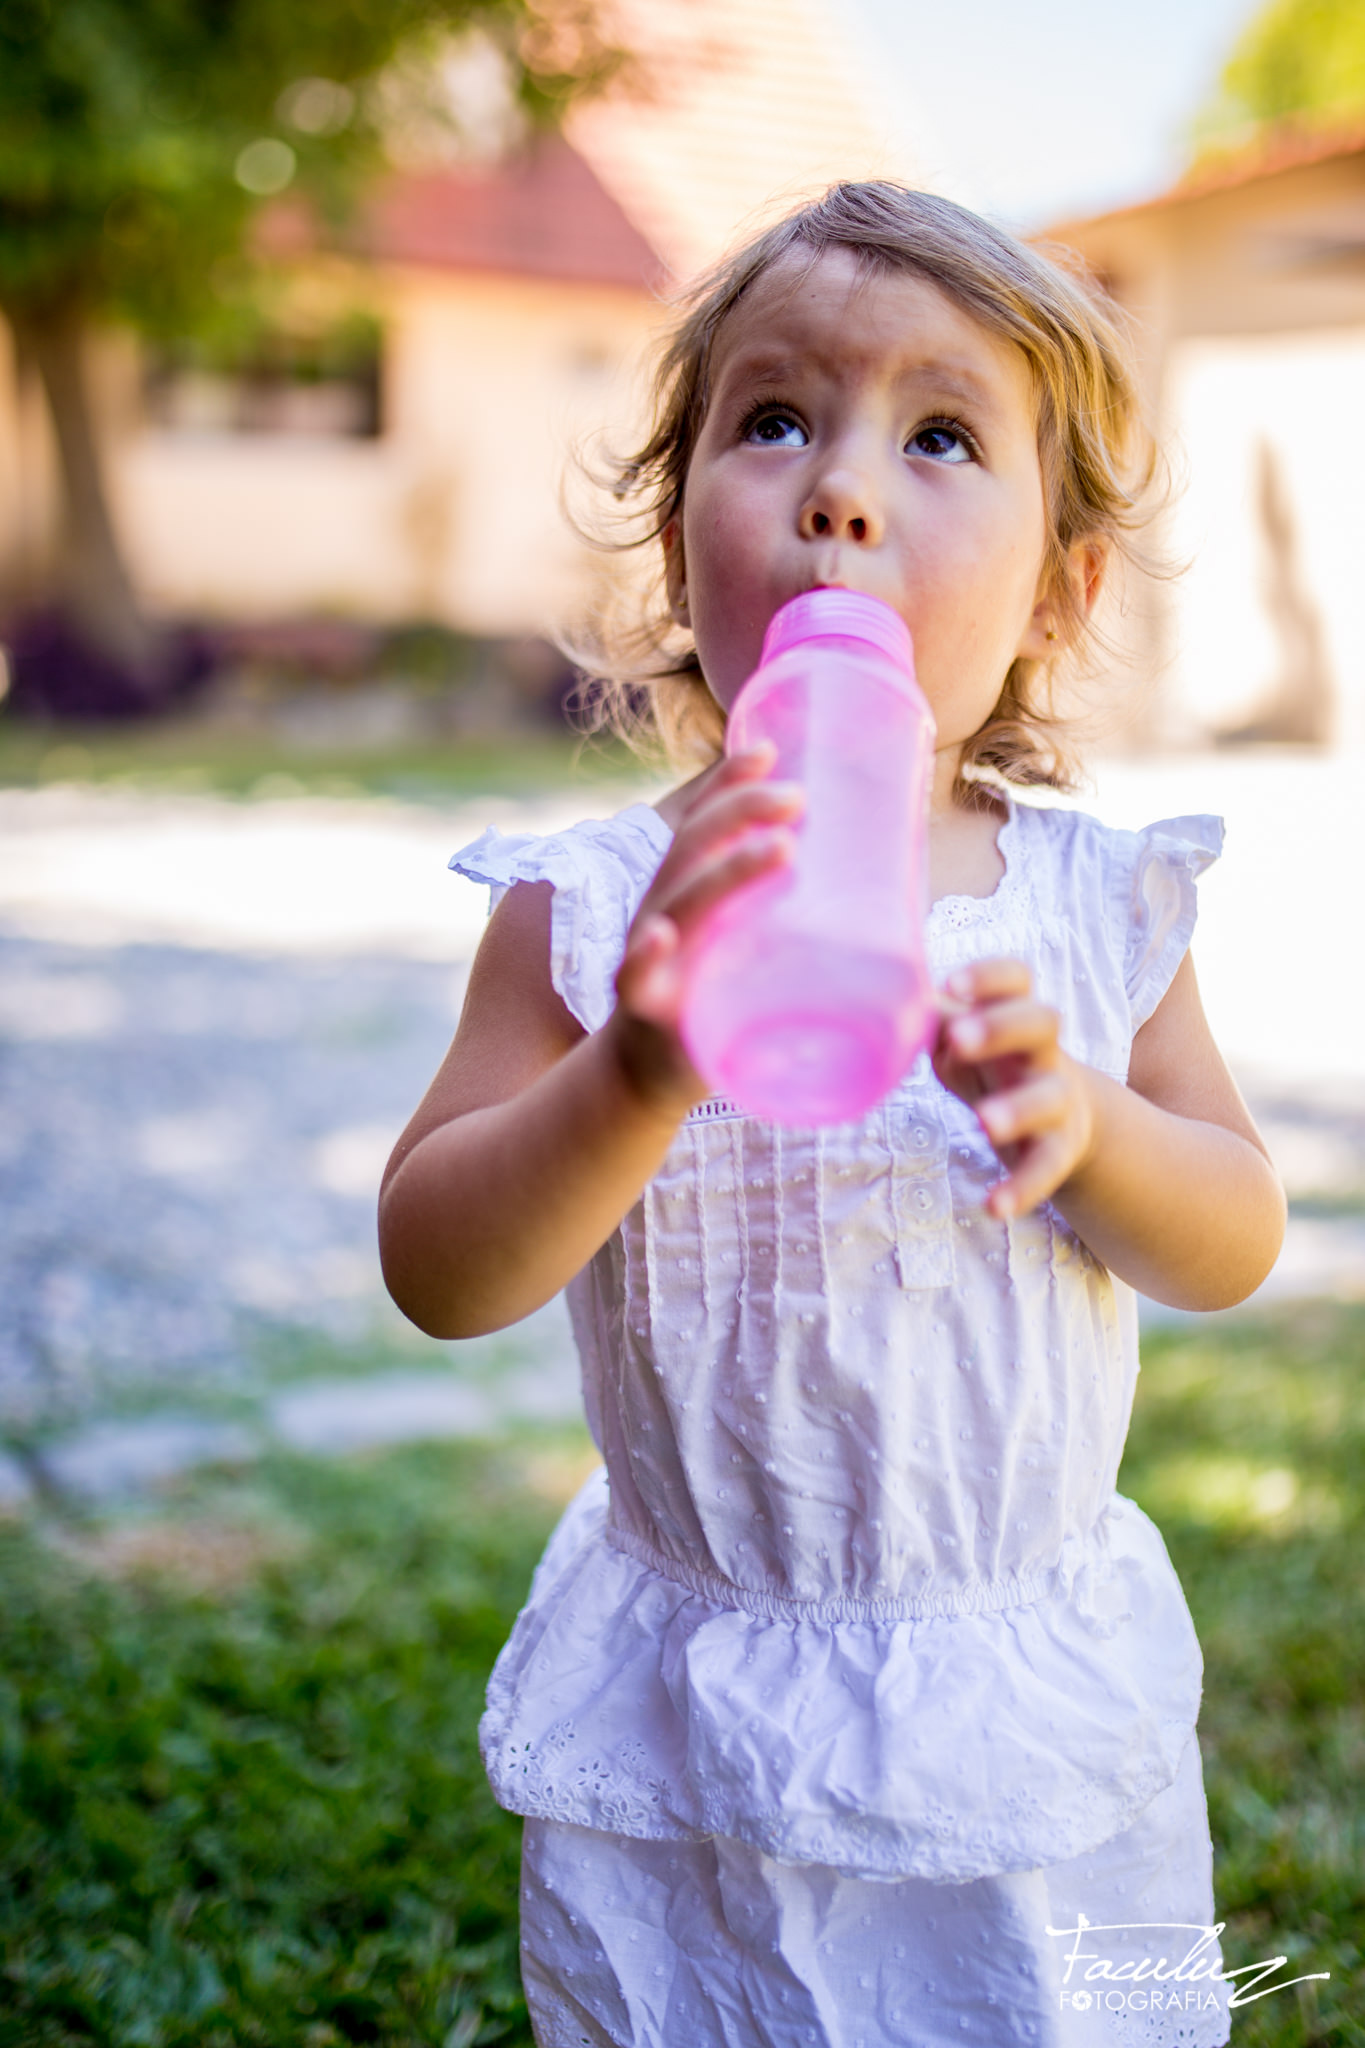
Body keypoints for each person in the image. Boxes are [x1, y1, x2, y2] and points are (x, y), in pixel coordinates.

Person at [379, 183, 1286, 2048]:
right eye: (772, 418)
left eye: (939, 435)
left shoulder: (1097, 906)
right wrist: (638, 1062)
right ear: (675, 532)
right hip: (701, 1685)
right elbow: (438, 1267)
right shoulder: (589, 905)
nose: (840, 490)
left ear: (1058, 586)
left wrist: (1093, 1129)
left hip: (1013, 1688)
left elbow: (1237, 1231)